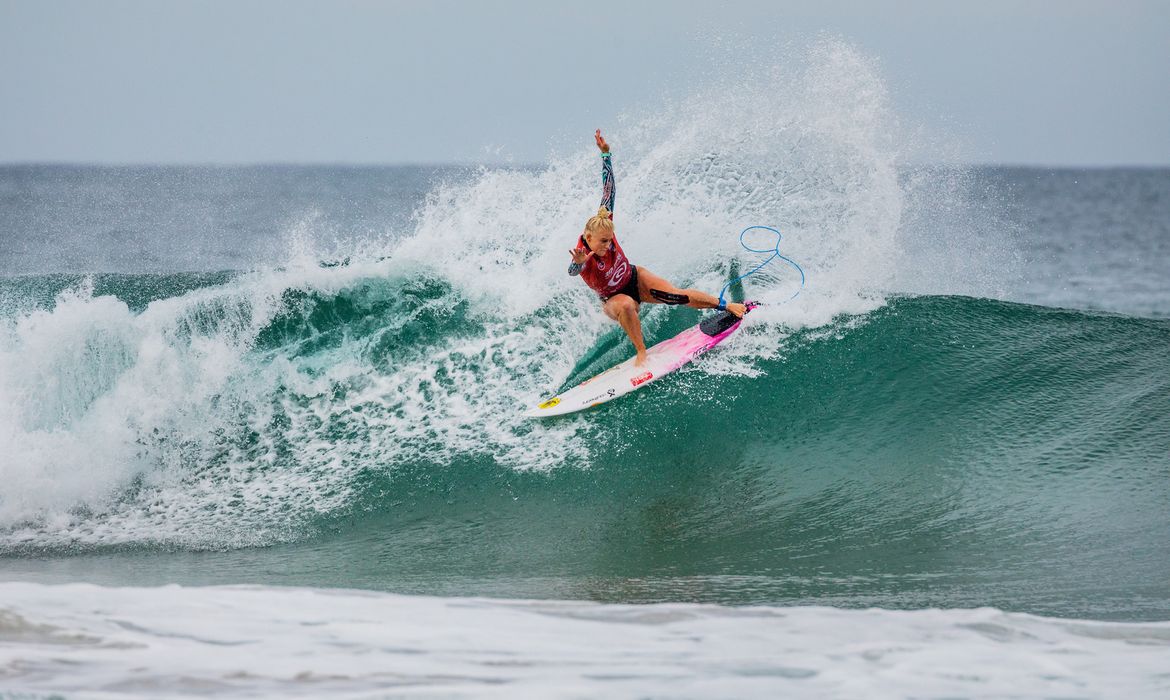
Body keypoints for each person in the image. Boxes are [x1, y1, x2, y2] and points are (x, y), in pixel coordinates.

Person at [569, 130, 746, 367]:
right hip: (612, 298)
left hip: (635, 278)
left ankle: (725, 306)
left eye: (611, 240)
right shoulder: (584, 255)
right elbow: (572, 270)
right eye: (603, 242)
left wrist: (606, 154)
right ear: (588, 237)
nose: (608, 245)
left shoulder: (603, 223)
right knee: (627, 305)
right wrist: (578, 263)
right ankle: (642, 353)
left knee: (676, 295)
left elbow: (609, 191)